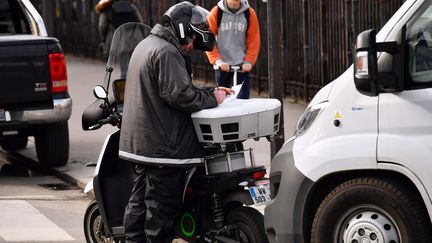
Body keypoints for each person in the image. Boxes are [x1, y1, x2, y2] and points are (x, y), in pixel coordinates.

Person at [118, 2, 233, 242]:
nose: (191, 45)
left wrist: (209, 91)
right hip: (163, 149)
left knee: (138, 206)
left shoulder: (146, 45)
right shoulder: (167, 52)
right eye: (191, 38)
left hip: (142, 147)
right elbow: (180, 95)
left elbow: (172, 87)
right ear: (181, 29)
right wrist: (214, 98)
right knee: (160, 213)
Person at [206, 0, 261, 99]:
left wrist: (249, 61)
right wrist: (217, 61)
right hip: (222, 65)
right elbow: (208, 39)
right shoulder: (216, 12)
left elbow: (254, 40)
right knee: (221, 101)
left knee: (243, 101)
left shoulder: (249, 13)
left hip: (242, 65)